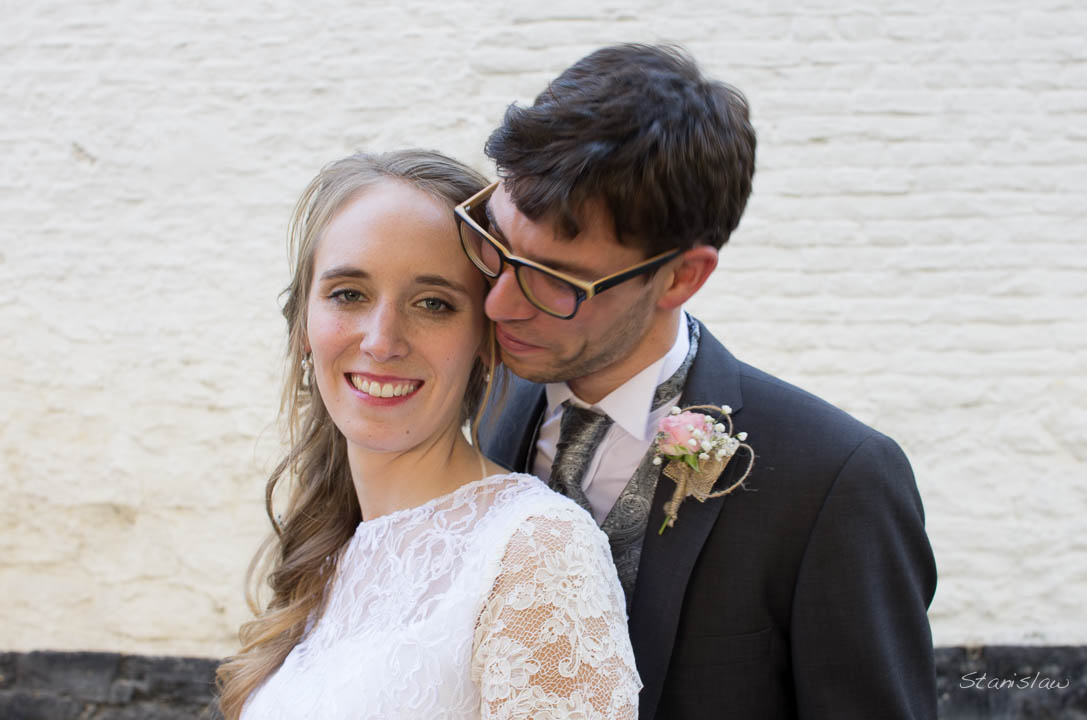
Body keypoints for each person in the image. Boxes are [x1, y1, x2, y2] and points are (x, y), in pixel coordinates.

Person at [461, 44, 938, 719]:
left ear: (682, 277)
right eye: (494, 241)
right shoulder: (480, 400)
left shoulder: (835, 482)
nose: (498, 303)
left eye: (556, 280)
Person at [215, 150, 641, 720]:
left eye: (433, 303)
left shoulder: (535, 552)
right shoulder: (332, 550)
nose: (382, 340)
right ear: (303, 326)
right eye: (349, 294)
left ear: (486, 341)